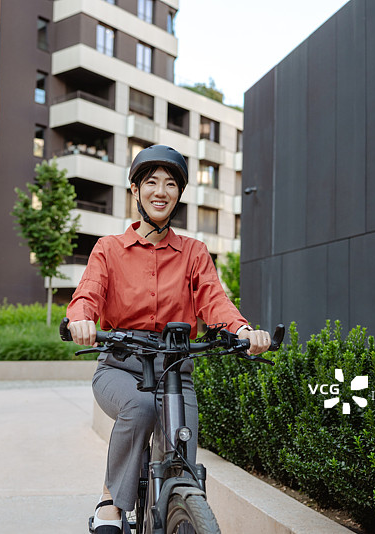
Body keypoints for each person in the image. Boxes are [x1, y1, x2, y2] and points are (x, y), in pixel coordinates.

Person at [66, 144, 272, 533]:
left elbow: (215, 301)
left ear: (178, 195)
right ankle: (110, 502)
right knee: (141, 408)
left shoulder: (193, 252)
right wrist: (81, 320)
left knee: (181, 452)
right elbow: (87, 295)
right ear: (135, 191)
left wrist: (243, 331)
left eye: (171, 184)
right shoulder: (108, 249)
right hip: (120, 366)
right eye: (152, 182)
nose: (161, 191)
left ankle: (180, 509)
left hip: (176, 368)